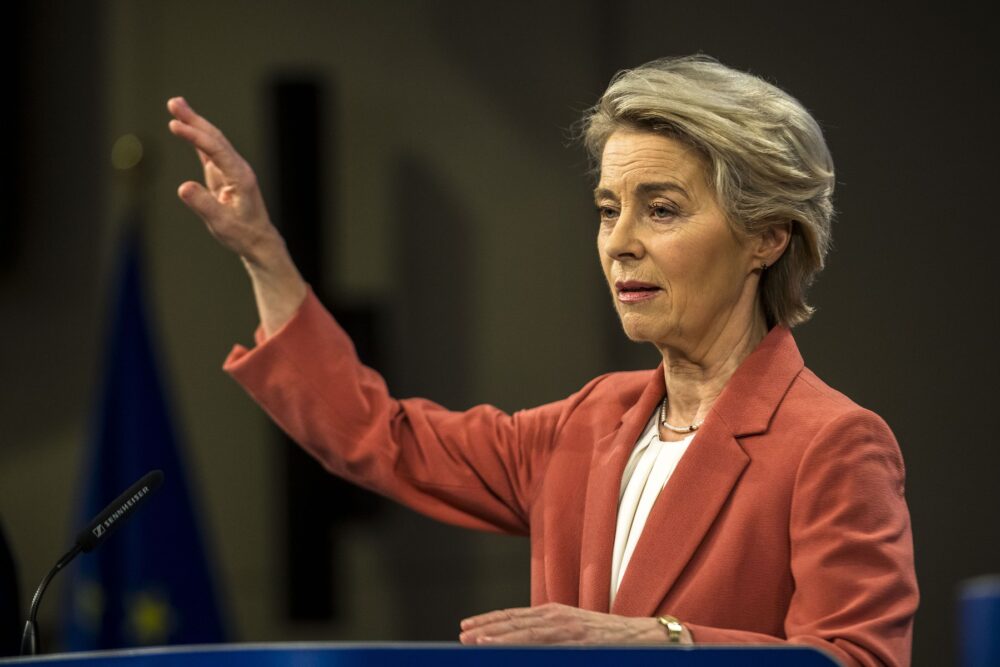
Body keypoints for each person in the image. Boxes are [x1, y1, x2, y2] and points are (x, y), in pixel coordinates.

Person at [167, 55, 918, 665]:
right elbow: (380, 437)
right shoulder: (588, 423)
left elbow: (857, 659)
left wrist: (664, 641)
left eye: (660, 209)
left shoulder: (833, 444)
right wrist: (264, 254)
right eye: (608, 210)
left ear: (767, 237)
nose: (620, 242)